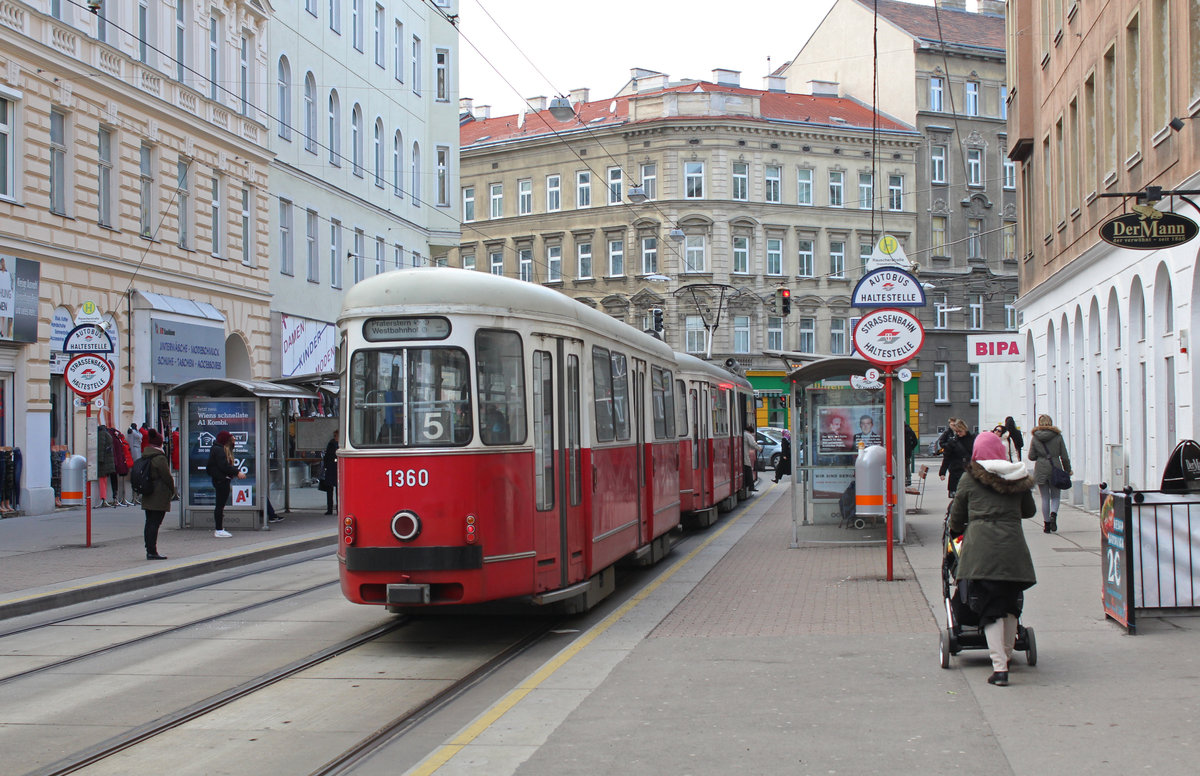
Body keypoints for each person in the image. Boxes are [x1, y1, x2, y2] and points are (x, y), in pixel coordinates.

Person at [948, 431, 1037, 688]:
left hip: (981, 550)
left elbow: (957, 514)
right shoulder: (1016, 475)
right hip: (1013, 548)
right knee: (1009, 604)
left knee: (989, 607)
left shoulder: (970, 478)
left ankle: (999, 668)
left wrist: (956, 530)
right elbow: (1029, 511)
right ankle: (1006, 658)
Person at [1028, 414, 1072, 533]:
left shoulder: (1035, 437)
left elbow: (1031, 456)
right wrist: (1068, 470)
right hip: (1055, 467)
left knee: (1045, 498)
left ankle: (1046, 524)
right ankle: (1053, 514)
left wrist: (1040, 455)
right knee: (1056, 496)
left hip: (1041, 468)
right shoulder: (1057, 436)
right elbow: (1064, 456)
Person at [140, 429, 177, 560]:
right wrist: (173, 490)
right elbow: (167, 476)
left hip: (148, 493)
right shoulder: (159, 458)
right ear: (160, 443)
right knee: (155, 524)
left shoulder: (145, 455)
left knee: (149, 522)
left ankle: (148, 548)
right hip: (158, 495)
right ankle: (152, 551)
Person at [206, 430, 245, 538]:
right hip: (221, 480)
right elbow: (224, 466)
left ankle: (219, 528)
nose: (234, 440)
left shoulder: (218, 449)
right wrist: (237, 472)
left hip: (220, 479)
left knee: (220, 505)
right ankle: (218, 529)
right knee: (220, 506)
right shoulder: (219, 450)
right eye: (231, 438)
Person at [938, 419, 974, 497]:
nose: (958, 433)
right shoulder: (953, 441)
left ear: (964, 429)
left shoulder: (973, 439)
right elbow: (947, 457)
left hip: (969, 470)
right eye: (956, 432)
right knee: (956, 496)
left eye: (960, 431)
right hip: (956, 470)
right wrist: (942, 472)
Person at [95, 423, 115, 508]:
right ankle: (104, 498)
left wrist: (100, 460)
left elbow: (101, 448)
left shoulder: (101, 434)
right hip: (108, 462)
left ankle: (103, 498)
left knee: (102, 480)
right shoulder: (107, 433)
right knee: (104, 481)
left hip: (103, 463)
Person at [322, 430, 339, 515]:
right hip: (331, 469)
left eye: (336, 435)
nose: (335, 437)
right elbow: (327, 457)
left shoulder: (338, 445)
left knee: (338, 492)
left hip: (336, 469)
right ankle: (330, 509)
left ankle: (338, 508)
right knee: (330, 491)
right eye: (335, 435)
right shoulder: (332, 444)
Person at [742, 424, 760, 492]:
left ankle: (747, 485)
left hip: (743, 454)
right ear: (750, 431)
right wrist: (759, 448)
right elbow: (753, 444)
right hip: (745, 455)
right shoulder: (748, 435)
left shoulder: (744, 434)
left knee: (746, 469)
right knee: (748, 469)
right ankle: (751, 486)